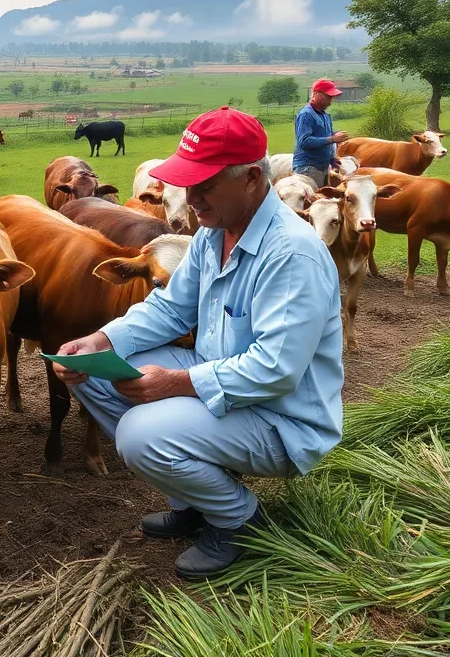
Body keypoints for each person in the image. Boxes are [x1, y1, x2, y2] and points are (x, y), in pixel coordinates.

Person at [55, 106, 344, 580]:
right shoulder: (215, 233)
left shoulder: (291, 254)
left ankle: (237, 518)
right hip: (222, 377)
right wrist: (101, 338)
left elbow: (276, 370)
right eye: (189, 184)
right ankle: (194, 499)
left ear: (252, 178)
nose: (191, 197)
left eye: (205, 185)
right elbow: (170, 308)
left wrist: (176, 382)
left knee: (139, 436)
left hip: (282, 417)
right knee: (95, 370)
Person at [292, 78, 348, 186]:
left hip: (323, 167)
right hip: (308, 168)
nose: (330, 101)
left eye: (332, 97)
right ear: (317, 94)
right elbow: (304, 141)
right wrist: (332, 139)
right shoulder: (306, 114)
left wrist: (332, 159)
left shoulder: (324, 116)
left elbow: (327, 138)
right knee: (310, 202)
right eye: (328, 96)